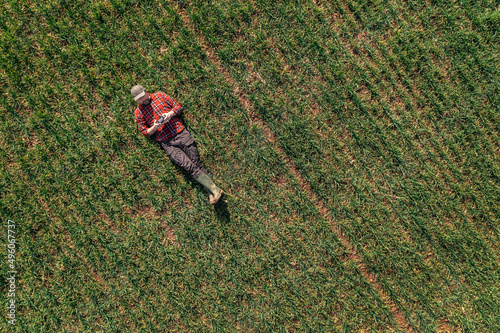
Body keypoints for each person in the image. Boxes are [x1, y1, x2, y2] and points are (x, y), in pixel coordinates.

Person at [131, 85, 223, 205]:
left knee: (197, 163)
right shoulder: (138, 112)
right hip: (167, 143)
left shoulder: (160, 95)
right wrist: (154, 127)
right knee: (188, 166)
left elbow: (178, 107)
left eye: (143, 97)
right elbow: (145, 132)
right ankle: (215, 190)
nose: (143, 100)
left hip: (180, 133)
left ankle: (212, 193)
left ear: (146, 92)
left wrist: (170, 114)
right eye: (139, 99)